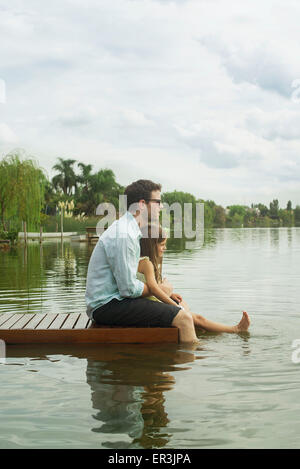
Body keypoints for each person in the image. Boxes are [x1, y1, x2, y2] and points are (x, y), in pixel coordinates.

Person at [85, 179, 199, 344]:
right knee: (182, 318)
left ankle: (175, 359)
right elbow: (128, 289)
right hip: (106, 306)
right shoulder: (124, 234)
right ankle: (193, 361)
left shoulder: (130, 230)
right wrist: (158, 289)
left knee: (178, 306)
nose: (161, 207)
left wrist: (161, 292)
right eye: (158, 202)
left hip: (115, 301)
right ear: (142, 204)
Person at [137, 223, 251, 333]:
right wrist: (175, 306)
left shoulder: (143, 262)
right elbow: (154, 289)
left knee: (185, 306)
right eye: (162, 245)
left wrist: (171, 295)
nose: (165, 248)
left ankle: (202, 329)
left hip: (154, 302)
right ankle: (236, 329)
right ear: (152, 246)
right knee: (198, 318)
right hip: (152, 307)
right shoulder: (147, 264)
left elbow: (151, 285)